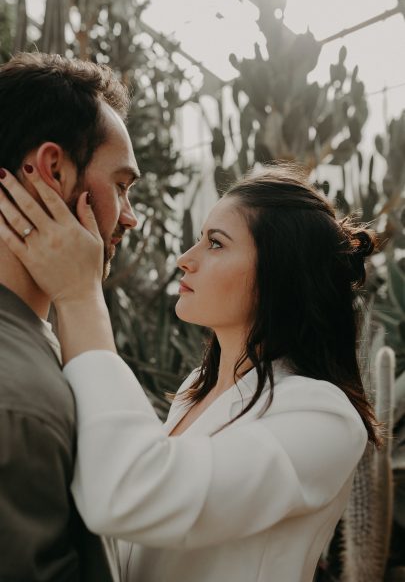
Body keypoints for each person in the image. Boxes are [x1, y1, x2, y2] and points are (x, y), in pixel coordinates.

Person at [0, 163, 380, 582]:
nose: (185, 259)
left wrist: (79, 296)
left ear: (279, 273)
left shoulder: (323, 419)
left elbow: (132, 496)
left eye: (215, 244)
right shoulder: (194, 391)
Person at [0, 52, 139, 581]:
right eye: (122, 185)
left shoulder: (42, 348)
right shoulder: (18, 400)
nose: (130, 216)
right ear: (53, 170)